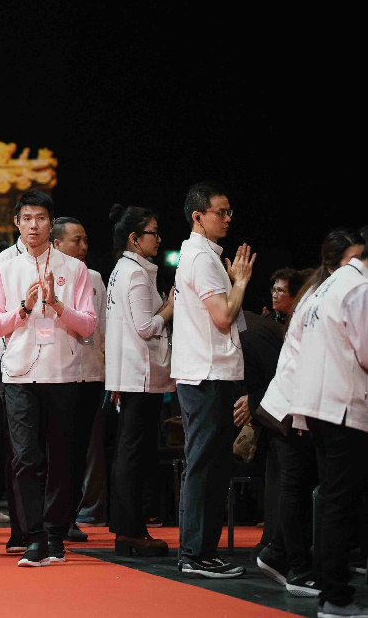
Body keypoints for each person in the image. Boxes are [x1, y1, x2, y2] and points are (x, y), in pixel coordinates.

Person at [0, 190, 97, 568]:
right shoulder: (2, 268)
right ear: (17, 222)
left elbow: (88, 325)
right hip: (17, 373)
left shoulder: (75, 269)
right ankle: (32, 536)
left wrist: (57, 304)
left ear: (52, 223)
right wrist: (24, 307)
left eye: (41, 218)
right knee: (25, 457)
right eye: (26, 218)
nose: (34, 226)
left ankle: (54, 534)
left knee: (61, 457)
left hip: (63, 373)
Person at [257, 228, 365, 599]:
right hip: (298, 400)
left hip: (300, 399)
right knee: (301, 487)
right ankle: (298, 565)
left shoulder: (320, 291)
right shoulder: (332, 291)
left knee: (302, 485)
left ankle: (281, 554)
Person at [171, 181, 254, 579]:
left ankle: (203, 551)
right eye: (220, 212)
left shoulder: (206, 255)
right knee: (203, 465)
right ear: (198, 217)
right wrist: (239, 283)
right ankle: (193, 554)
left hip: (212, 371)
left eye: (229, 212)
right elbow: (223, 317)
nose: (227, 218)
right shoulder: (200, 258)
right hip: (204, 374)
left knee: (216, 464)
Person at [288, 224, 368, 618]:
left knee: (332, 501)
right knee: (338, 503)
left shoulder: (327, 287)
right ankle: (335, 597)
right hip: (341, 406)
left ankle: (330, 589)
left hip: (320, 405)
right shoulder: (358, 287)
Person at [103, 205, 174, 556]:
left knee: (130, 453)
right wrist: (170, 308)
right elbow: (145, 327)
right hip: (140, 374)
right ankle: (131, 530)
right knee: (133, 455)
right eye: (153, 233)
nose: (159, 240)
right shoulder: (134, 273)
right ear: (135, 238)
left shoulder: (123, 269)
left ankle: (129, 529)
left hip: (130, 374)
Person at [50, 216, 107, 539]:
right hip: (54, 374)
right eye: (77, 240)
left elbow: (103, 328)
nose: (84, 247)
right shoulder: (42, 274)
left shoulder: (95, 277)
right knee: (55, 448)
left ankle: (73, 515)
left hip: (90, 372)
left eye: (86, 240)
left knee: (83, 448)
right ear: (57, 243)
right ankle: (52, 517)